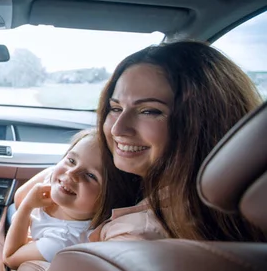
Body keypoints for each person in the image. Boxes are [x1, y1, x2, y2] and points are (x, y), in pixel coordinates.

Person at [91, 40, 265, 242]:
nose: (117, 129)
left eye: (149, 111)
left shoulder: (136, 234)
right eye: (116, 108)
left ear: (205, 122)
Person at [4, 129, 115, 269]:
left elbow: (10, 258)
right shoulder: (56, 178)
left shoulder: (63, 241)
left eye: (91, 175)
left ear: (109, 198)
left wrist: (27, 207)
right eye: (71, 160)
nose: (71, 173)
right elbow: (19, 198)